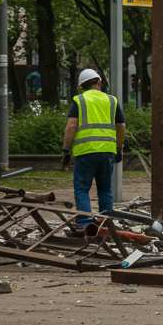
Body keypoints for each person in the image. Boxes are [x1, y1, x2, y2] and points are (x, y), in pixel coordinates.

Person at [60, 69, 126, 228]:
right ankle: (105, 221)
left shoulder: (79, 100)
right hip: (107, 151)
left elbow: (71, 126)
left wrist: (66, 151)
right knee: (105, 189)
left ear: (82, 86)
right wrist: (118, 148)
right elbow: (121, 126)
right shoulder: (112, 100)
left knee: (82, 188)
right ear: (99, 82)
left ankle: (84, 223)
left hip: (85, 152)